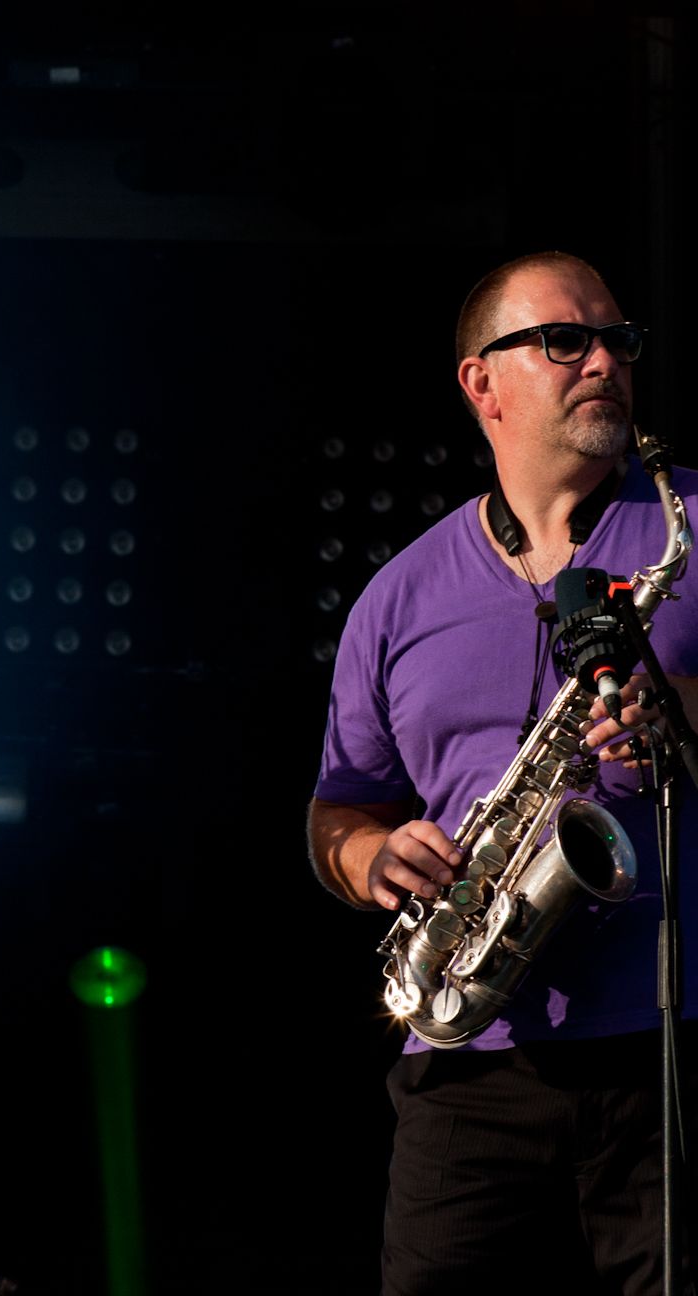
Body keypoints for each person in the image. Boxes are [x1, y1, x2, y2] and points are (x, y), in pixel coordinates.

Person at [309, 251, 697, 1293]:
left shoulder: (691, 531)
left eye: (619, 339)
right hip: (470, 1066)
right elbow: (341, 807)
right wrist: (367, 856)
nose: (605, 360)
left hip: (668, 1052)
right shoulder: (398, 596)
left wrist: (681, 708)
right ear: (482, 381)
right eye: (566, 340)